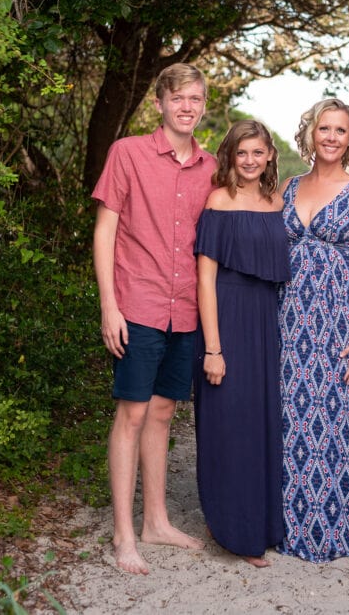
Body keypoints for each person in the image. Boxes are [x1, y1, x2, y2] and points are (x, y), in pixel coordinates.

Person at [91, 63, 215, 575]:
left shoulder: (211, 167)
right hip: (137, 305)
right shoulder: (128, 153)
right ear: (159, 103)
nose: (187, 107)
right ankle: (124, 533)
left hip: (184, 310)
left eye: (195, 99)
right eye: (177, 98)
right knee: (132, 414)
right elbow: (105, 232)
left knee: (164, 413)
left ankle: (157, 521)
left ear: (203, 105)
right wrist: (109, 306)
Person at [278, 97, 349, 562]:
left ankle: (336, 525)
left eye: (341, 130)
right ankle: (286, 525)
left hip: (340, 321)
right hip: (286, 321)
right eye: (324, 128)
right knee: (289, 421)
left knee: (336, 419)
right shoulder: (286, 185)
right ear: (311, 133)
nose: (331, 137)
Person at [193, 120, 290, 568]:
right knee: (229, 425)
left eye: (258, 152)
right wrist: (213, 348)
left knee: (261, 424)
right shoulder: (218, 201)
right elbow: (206, 279)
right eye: (241, 153)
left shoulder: (277, 201)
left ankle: (263, 525)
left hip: (266, 322)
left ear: (270, 154)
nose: (250, 161)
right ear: (230, 157)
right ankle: (233, 529)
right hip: (227, 320)